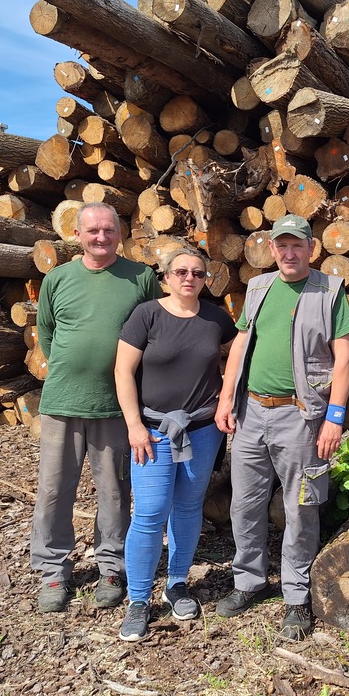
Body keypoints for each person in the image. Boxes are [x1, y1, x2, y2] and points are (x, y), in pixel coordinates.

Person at [214, 214, 349, 641]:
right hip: (252, 412)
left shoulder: (329, 291)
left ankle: (296, 596)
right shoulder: (258, 287)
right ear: (272, 249)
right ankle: (249, 581)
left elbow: (343, 358)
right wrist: (226, 397)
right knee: (245, 504)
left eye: (297, 245)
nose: (289, 253)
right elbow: (241, 343)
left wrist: (334, 418)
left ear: (312, 248)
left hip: (301, 416)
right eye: (282, 245)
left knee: (301, 506)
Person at [31, 202, 162, 613]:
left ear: (120, 234)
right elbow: (47, 333)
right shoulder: (57, 278)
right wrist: (75, 366)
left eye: (109, 230)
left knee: (115, 491)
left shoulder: (140, 277)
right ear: (77, 235)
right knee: (54, 490)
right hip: (63, 401)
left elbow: (154, 329)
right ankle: (53, 570)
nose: (101, 237)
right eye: (93, 230)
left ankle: (111, 566)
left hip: (115, 405)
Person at [113, 246, 237, 641]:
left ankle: (177, 583)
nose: (190, 278)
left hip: (202, 430)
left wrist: (226, 397)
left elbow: (239, 349)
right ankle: (138, 600)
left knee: (187, 507)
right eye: (181, 271)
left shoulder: (216, 318)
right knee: (150, 512)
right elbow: (122, 371)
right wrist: (134, 425)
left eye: (198, 273)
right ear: (165, 277)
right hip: (152, 431)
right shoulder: (146, 315)